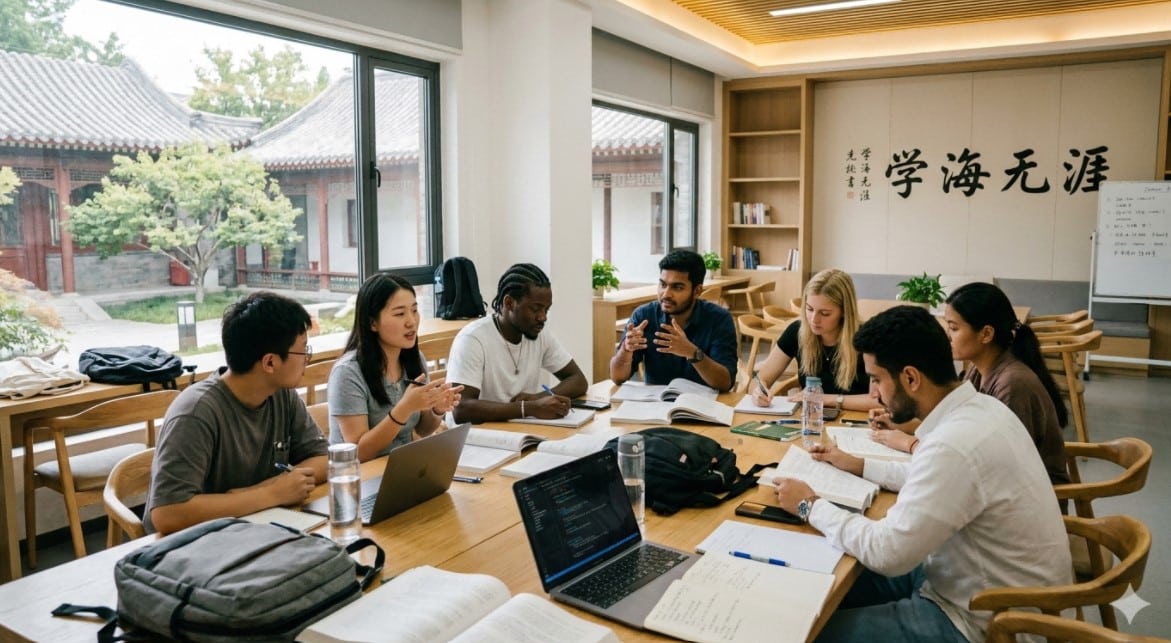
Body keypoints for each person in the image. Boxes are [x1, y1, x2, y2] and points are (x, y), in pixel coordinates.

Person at [773, 305, 1071, 643]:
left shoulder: (953, 444)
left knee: (807, 632)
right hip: (978, 584)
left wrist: (809, 506)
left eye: (876, 379)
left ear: (911, 378)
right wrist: (859, 465)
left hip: (983, 622)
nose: (873, 394)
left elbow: (888, 552)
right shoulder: (980, 411)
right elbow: (932, 475)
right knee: (820, 584)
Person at [146, 291, 329, 535]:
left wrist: (265, 491)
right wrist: (271, 493)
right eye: (303, 351)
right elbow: (168, 514)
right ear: (270, 363)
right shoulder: (195, 412)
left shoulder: (280, 394)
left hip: (255, 528)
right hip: (197, 544)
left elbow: (323, 459)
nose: (307, 359)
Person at [869, 282, 1070, 484]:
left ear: (986, 334)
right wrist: (900, 424)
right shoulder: (978, 368)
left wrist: (910, 444)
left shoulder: (1012, 384)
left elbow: (992, 461)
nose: (947, 335)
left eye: (954, 328)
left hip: (1026, 497)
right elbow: (959, 423)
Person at [327, 273, 463, 462]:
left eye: (414, 310)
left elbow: (422, 430)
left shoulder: (414, 360)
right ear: (372, 322)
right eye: (400, 314)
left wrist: (437, 410)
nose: (411, 321)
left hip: (401, 467)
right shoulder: (347, 372)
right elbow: (359, 453)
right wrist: (404, 408)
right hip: (361, 477)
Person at [446, 262, 588, 423]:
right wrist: (529, 408)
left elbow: (578, 380)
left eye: (546, 310)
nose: (543, 317)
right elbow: (461, 409)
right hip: (474, 438)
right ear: (509, 303)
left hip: (516, 431)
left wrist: (537, 399)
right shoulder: (473, 339)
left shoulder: (538, 334)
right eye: (536, 309)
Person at [750, 268, 877, 411]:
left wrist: (826, 399)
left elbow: (879, 401)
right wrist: (758, 392)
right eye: (809, 309)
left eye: (824, 313)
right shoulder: (796, 331)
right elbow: (759, 381)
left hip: (854, 424)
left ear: (844, 312)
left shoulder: (868, 339)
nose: (814, 319)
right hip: (810, 421)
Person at [610, 249, 737, 391]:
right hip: (654, 406)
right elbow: (617, 377)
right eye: (663, 285)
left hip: (703, 407)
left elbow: (725, 383)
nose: (666, 294)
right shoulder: (644, 316)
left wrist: (692, 353)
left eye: (677, 287)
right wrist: (626, 350)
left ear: (697, 291)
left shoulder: (719, 319)